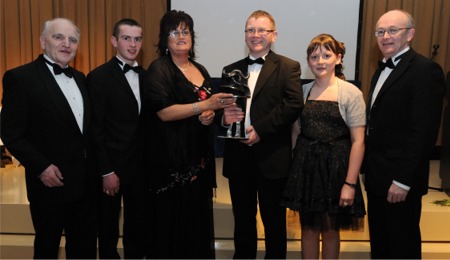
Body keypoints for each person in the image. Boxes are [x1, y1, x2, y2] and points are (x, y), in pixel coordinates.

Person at [0, 18, 97, 258]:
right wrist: (41, 167)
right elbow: (11, 133)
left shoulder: (82, 78)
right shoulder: (20, 78)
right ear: (43, 41)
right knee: (47, 248)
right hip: (48, 183)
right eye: (58, 37)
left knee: (83, 248)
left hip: (85, 183)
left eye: (72, 40)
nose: (66, 44)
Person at [142, 10, 234, 258]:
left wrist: (208, 117)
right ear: (165, 38)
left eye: (186, 31)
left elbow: (205, 111)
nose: (181, 36)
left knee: (196, 227)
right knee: (170, 229)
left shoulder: (200, 69)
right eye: (174, 31)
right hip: (169, 165)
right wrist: (205, 106)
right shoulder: (159, 68)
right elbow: (164, 112)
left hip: (198, 162)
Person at [219, 10, 303, 259]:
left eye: (261, 30)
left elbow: (293, 103)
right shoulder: (230, 69)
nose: (255, 35)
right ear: (245, 34)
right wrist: (224, 119)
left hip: (272, 158)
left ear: (273, 35)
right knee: (242, 222)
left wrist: (260, 131)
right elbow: (225, 110)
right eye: (250, 30)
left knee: (274, 223)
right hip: (239, 158)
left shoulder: (289, 66)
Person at [363, 9, 446, 259]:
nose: (385, 36)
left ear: (410, 34)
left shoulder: (425, 70)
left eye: (392, 30)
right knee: (380, 244)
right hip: (377, 176)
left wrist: (403, 180)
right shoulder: (380, 70)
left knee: (403, 246)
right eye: (380, 31)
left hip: (400, 180)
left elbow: (423, 132)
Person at [281, 34, 366, 259]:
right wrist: (295, 168)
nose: (320, 61)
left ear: (338, 58)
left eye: (326, 55)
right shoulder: (303, 91)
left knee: (330, 229)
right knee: (308, 229)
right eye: (314, 56)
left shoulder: (351, 93)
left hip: (336, 170)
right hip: (307, 169)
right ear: (308, 61)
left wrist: (349, 183)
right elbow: (296, 131)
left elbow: (358, 141)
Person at [87, 18, 147, 259]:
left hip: (141, 167)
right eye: (126, 38)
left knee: (138, 224)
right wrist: (106, 171)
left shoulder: (147, 76)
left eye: (137, 39)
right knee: (107, 227)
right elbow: (95, 129)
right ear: (114, 41)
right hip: (112, 168)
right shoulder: (98, 77)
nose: (132, 44)